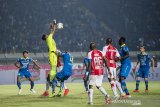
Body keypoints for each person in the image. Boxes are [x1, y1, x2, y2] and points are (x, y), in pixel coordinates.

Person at [41, 20, 58, 97]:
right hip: (52, 55)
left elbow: (52, 31)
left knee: (54, 70)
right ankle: (49, 80)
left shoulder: (49, 39)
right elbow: (53, 31)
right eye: (46, 35)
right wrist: (54, 24)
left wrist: (52, 27)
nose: (47, 35)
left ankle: (50, 82)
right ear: (45, 37)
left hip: (53, 55)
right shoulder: (49, 38)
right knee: (54, 70)